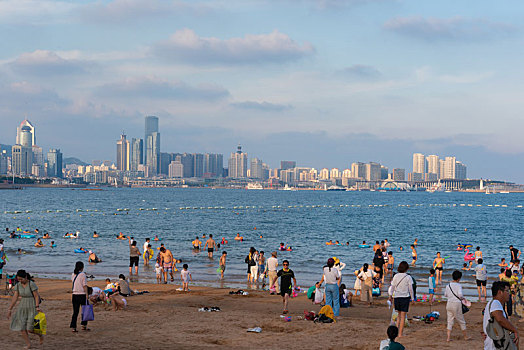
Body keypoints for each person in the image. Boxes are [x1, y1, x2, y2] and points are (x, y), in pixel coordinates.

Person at [7, 270, 43, 348]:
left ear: (26, 277)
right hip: (22, 306)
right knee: (22, 328)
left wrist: (37, 307)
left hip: (32, 306)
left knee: (30, 329)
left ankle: (40, 335)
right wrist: (10, 309)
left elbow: (36, 296)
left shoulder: (31, 284)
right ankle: (28, 344)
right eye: (18, 279)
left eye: (21, 279)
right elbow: (15, 297)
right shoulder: (18, 285)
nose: (20, 281)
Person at [483, 281, 519, 349]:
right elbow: (500, 319)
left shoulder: (492, 303)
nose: (509, 294)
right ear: (500, 292)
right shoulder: (496, 303)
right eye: (507, 291)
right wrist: (514, 330)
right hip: (495, 346)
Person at [388, 261, 414, 338]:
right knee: (403, 316)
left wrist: (390, 296)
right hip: (405, 297)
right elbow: (411, 289)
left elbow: (392, 287)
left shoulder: (395, 276)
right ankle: (400, 334)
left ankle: (396, 332)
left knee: (398, 316)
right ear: (406, 268)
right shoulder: (408, 277)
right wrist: (412, 298)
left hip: (397, 297)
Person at [444, 270, 471, 342]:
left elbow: (445, 295)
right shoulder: (459, 285)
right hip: (456, 304)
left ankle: (448, 338)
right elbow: (460, 295)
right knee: (461, 321)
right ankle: (465, 337)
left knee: (449, 321)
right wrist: (463, 298)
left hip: (449, 303)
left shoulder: (448, 285)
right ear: (459, 278)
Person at [70, 261, 90, 332]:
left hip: (74, 295)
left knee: (75, 312)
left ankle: (73, 327)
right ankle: (83, 325)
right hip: (82, 295)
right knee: (85, 310)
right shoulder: (83, 275)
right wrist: (87, 294)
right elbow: (84, 286)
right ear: (82, 267)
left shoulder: (73, 274)